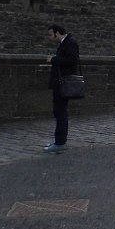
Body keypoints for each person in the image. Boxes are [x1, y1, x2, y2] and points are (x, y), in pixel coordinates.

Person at [45, 24, 80, 153]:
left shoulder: (70, 42)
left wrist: (53, 59)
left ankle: (60, 142)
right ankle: (59, 141)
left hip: (64, 83)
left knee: (60, 112)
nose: (49, 38)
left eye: (50, 34)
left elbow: (72, 61)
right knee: (59, 111)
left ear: (57, 33)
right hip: (60, 83)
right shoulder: (65, 43)